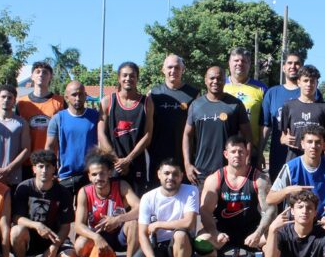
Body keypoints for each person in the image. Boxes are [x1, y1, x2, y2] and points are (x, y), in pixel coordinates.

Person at [197, 135, 273, 257]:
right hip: (224, 231)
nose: (237, 155)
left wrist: (258, 233)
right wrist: (214, 232)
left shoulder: (260, 178)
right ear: (226, 154)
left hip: (251, 230)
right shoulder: (215, 178)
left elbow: (270, 210)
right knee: (201, 241)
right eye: (233, 152)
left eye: (240, 151)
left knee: (275, 238)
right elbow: (205, 210)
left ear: (247, 153)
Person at [126, 159, 199, 257]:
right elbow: (142, 234)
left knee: (180, 234)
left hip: (181, 244)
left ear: (181, 176)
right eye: (166, 173)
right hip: (157, 245)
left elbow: (188, 222)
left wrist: (159, 224)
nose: (170, 177)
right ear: (159, 174)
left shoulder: (191, 191)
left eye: (175, 174)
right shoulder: (147, 197)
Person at [70, 151, 140, 257]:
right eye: (94, 174)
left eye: (102, 173)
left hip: (120, 235)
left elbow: (140, 208)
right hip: (98, 236)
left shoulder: (121, 185)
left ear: (109, 173)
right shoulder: (84, 192)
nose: (98, 178)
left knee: (134, 223)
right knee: (80, 245)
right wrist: (96, 237)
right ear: (89, 177)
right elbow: (78, 226)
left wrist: (118, 219)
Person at [10, 149, 74, 257]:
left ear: (54, 169)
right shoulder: (24, 188)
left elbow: (65, 226)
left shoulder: (62, 192)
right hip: (30, 236)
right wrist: (37, 225)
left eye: (48, 166)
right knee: (16, 231)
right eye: (40, 166)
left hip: (52, 236)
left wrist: (55, 247)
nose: (44, 170)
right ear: (34, 169)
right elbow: (16, 218)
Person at [183, 66, 251, 188]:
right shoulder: (196, 105)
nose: (215, 81)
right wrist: (187, 164)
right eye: (212, 78)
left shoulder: (235, 104)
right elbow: (187, 135)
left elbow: (247, 136)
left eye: (219, 78)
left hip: (229, 170)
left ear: (225, 80)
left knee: (229, 207)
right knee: (203, 207)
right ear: (205, 80)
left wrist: (247, 159)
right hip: (201, 171)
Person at [267, 124, 325, 218]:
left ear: (324, 145)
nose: (313, 146)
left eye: (318, 142)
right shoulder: (290, 167)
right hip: (296, 222)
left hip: (322, 222)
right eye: (309, 142)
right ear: (302, 144)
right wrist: (288, 190)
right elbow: (270, 199)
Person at [99, 61, 154, 196]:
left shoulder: (146, 102)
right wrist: (117, 161)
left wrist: (128, 159)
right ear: (119, 78)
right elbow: (101, 134)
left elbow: (148, 135)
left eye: (132, 76)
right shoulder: (107, 101)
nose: (128, 79)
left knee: (137, 207)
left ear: (137, 78)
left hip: (136, 163)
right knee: (113, 206)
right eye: (124, 75)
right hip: (112, 164)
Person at [262, 51, 320, 180]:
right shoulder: (272, 93)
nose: (293, 66)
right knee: (280, 195)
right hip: (279, 155)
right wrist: (260, 151)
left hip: (308, 157)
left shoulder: (314, 93)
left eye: (297, 63)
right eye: (289, 63)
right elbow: (266, 126)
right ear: (283, 67)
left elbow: (322, 126)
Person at [148, 54, 199, 186]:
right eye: (169, 67)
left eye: (177, 67)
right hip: (158, 155)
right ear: (163, 69)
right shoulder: (153, 94)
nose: (173, 71)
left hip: (184, 156)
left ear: (183, 70)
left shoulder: (194, 94)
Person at [46, 80, 100, 194]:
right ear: (66, 97)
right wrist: (50, 172)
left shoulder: (96, 116)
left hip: (90, 175)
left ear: (86, 96)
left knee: (87, 211)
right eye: (74, 94)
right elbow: (49, 147)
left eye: (81, 94)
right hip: (65, 176)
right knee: (64, 211)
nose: (78, 98)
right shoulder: (58, 119)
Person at [17, 61, 65, 178]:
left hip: (50, 162)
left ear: (50, 77)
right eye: (37, 72)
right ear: (32, 76)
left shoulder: (60, 102)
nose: (41, 75)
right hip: (27, 162)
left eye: (45, 72)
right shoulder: (21, 103)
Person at [279, 64, 325, 162]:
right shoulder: (289, 106)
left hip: (317, 160)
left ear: (317, 83)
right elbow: (282, 137)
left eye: (312, 81)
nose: (309, 84)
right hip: (294, 158)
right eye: (305, 81)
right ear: (299, 82)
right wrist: (285, 140)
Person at [224, 47, 267, 166]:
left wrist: (260, 151)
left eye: (244, 61)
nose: (239, 64)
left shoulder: (261, 88)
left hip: (250, 151)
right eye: (236, 60)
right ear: (229, 63)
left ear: (249, 64)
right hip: (224, 151)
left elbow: (264, 124)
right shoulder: (219, 85)